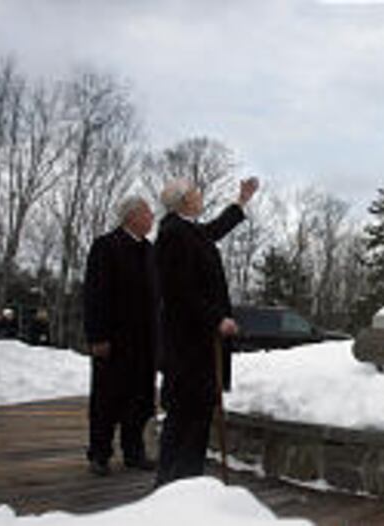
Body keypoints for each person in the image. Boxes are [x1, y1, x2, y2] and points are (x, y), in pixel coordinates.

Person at [154, 176, 258, 487]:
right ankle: (177, 484)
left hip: (197, 344)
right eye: (197, 193)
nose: (201, 196)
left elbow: (214, 230)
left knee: (196, 413)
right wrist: (216, 319)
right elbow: (180, 290)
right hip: (189, 345)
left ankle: (185, 481)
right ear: (185, 200)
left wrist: (241, 201)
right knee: (186, 415)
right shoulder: (173, 234)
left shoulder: (187, 230)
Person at [83, 196, 159, 476]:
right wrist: (97, 336)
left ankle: (134, 452)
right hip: (113, 341)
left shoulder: (150, 251)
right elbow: (94, 294)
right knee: (106, 399)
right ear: (132, 216)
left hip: (145, 343)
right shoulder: (106, 246)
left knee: (140, 401)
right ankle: (99, 454)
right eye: (148, 213)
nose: (152, 218)